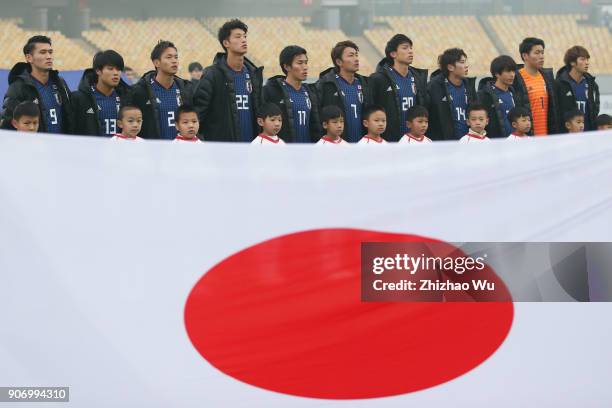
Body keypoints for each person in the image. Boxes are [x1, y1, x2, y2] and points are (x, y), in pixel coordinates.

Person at [194, 19, 263, 142]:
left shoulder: (254, 75)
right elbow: (198, 115)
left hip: (252, 149)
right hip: (223, 151)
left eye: (245, 36)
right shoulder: (212, 74)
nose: (243, 40)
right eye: (238, 36)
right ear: (226, 43)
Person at [1, 35, 73, 133]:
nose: (49, 56)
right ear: (29, 58)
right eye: (43, 52)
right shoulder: (18, 87)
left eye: (50, 52)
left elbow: (70, 116)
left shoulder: (60, 83)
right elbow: (7, 124)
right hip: (35, 147)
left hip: (61, 146)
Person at [369, 34, 428, 141]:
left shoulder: (418, 78)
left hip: (414, 141)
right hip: (390, 142)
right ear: (393, 53)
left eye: (411, 48)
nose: (410, 51)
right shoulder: (379, 79)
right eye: (405, 48)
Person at [132, 40, 193, 140]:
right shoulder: (141, 91)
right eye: (169, 57)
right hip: (154, 152)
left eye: (176, 57)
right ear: (156, 62)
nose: (174, 61)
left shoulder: (186, 89)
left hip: (181, 151)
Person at [263, 45, 321, 143]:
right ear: (286, 66)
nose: (305, 67)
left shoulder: (310, 92)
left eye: (306, 63)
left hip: (308, 153)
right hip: (284, 153)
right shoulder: (271, 92)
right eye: (300, 63)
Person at [317, 40, 372, 143]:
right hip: (338, 147)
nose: (356, 59)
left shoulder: (365, 84)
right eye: (351, 56)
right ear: (339, 62)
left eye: (356, 55)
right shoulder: (326, 85)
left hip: (363, 146)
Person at [72, 50, 131, 137]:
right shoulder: (80, 99)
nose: (115, 73)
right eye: (110, 69)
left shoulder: (127, 98)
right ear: (98, 71)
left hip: (120, 150)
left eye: (118, 69)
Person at [427, 48, 476, 141]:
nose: (466, 65)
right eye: (462, 62)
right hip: (444, 146)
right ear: (450, 67)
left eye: (465, 62)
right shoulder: (434, 87)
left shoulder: (469, 86)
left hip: (468, 143)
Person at [513, 37, 559, 136]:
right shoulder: (516, 79)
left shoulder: (548, 78)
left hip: (547, 139)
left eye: (542, 53)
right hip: (527, 140)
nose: (541, 56)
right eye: (537, 53)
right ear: (525, 56)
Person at [477, 55, 526, 138]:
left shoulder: (515, 95)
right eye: (508, 71)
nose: (512, 75)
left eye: (513, 71)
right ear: (497, 74)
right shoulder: (485, 95)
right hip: (496, 144)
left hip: (515, 143)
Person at [555, 46, 600, 132]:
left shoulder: (592, 84)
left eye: (587, 59)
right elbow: (556, 112)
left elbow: (595, 111)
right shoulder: (559, 84)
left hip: (588, 135)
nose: (587, 63)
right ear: (572, 62)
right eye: (582, 59)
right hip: (567, 137)